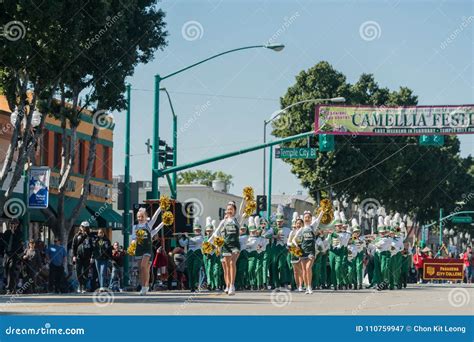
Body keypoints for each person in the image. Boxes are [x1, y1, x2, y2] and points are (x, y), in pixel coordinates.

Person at [209, 201, 245, 296]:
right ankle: (228, 285)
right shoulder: (223, 221)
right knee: (227, 267)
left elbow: (241, 209)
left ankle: (232, 285)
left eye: (231, 209)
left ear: (234, 210)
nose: (229, 211)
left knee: (232, 263)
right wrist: (209, 242)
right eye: (228, 209)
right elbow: (216, 232)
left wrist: (244, 199)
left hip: (235, 245)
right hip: (225, 246)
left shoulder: (237, 219)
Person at [132, 207, 164, 295]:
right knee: (142, 269)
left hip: (147, 249)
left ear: (146, 217)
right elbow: (133, 238)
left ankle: (145, 287)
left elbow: (155, 217)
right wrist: (132, 245)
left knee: (143, 267)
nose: (140, 218)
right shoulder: (135, 227)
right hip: (139, 249)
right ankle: (144, 286)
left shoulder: (148, 225)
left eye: (142, 217)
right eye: (138, 217)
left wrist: (161, 207)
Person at [294, 210, 323, 294]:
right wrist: (296, 246)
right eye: (305, 217)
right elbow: (294, 239)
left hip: (311, 251)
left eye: (308, 217)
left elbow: (318, 219)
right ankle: (306, 287)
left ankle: (310, 286)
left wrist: (322, 211)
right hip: (303, 252)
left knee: (308, 268)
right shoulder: (301, 229)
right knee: (304, 270)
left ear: (310, 219)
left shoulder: (312, 227)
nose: (307, 219)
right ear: (303, 218)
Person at [180, 218, 204, 292]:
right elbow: (183, 244)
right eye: (195, 230)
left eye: (198, 230)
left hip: (198, 254)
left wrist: (187, 236)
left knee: (195, 270)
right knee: (190, 270)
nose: (197, 231)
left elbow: (196, 241)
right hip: (190, 254)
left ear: (200, 231)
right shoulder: (190, 237)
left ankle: (197, 284)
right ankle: (192, 286)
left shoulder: (201, 237)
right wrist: (180, 237)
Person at [72, 222, 94, 293]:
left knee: (85, 273)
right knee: (78, 272)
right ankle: (80, 284)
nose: (84, 228)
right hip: (78, 257)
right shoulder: (77, 235)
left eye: (85, 227)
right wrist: (74, 256)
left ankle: (84, 287)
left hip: (87, 257)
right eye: (83, 226)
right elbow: (74, 246)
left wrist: (92, 257)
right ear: (80, 227)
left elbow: (93, 247)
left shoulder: (90, 236)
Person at [2, 219, 23, 294]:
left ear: (17, 224)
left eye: (14, 224)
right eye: (12, 223)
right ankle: (11, 287)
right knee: (6, 270)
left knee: (11, 270)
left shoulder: (19, 233)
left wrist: (13, 232)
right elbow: (3, 240)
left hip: (14, 254)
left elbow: (18, 240)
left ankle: (10, 288)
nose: (13, 225)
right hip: (7, 254)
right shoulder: (7, 232)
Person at [272, 213, 291, 291]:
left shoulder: (287, 229)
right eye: (277, 221)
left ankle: (284, 283)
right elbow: (264, 235)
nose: (279, 223)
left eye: (280, 221)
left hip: (283, 249)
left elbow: (292, 237)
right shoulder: (273, 229)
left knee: (281, 265)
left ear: (283, 221)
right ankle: (276, 284)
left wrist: (289, 245)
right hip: (275, 249)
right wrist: (274, 236)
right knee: (274, 266)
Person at [287, 215, 304, 292]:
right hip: (294, 251)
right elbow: (288, 243)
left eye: (300, 223)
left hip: (302, 251)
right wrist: (293, 246)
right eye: (297, 223)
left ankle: (301, 286)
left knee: (301, 270)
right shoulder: (292, 232)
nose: (298, 225)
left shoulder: (304, 231)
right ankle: (297, 286)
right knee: (295, 271)